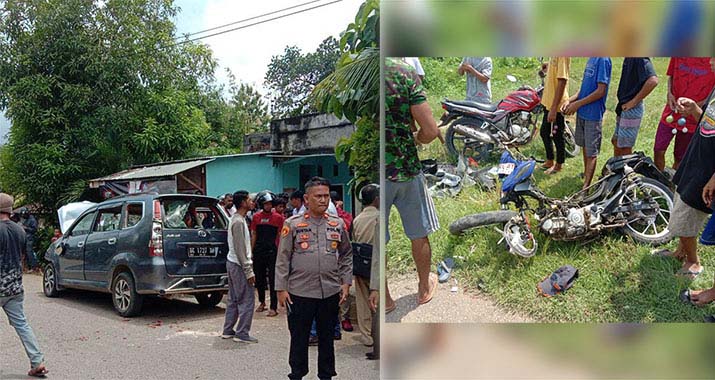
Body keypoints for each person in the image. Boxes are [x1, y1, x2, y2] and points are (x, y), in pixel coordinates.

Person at [275, 176, 352, 380]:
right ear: (307, 199)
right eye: (318, 196)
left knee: (327, 336)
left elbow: (346, 254)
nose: (323, 200)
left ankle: (326, 375)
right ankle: (297, 374)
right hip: (299, 292)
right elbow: (283, 257)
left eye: (326, 196)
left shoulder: (337, 225)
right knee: (299, 337)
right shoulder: (292, 224)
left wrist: (345, 282)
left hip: (329, 290)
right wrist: (281, 289)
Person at [653, 58, 715, 305]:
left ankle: (693, 262)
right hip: (696, 159)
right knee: (681, 202)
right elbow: (709, 122)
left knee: (685, 214)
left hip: (708, 171)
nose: (710, 62)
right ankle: (681, 252)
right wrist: (694, 110)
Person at [385, 58, 440, 308]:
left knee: (376, 238)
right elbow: (430, 129)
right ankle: (423, 287)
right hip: (405, 167)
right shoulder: (404, 71)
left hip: (374, 174)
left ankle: (383, 296)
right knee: (419, 233)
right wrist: (416, 136)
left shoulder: (359, 73)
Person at [0, 193, 48, 377]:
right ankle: (37, 362)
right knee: (22, 325)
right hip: (15, 287)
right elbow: (21, 256)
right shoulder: (20, 230)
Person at [654, 57, 715, 171]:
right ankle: (659, 182)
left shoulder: (712, 60)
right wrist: (670, 94)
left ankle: (674, 185)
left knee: (681, 157)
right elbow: (671, 76)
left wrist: (696, 107)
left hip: (694, 117)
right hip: (673, 111)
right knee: (658, 149)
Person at [562, 57, 612, 189]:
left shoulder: (603, 60)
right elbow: (584, 88)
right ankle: (586, 175)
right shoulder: (592, 59)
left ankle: (586, 187)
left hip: (593, 114)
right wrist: (570, 101)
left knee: (591, 152)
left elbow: (600, 91)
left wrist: (577, 104)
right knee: (585, 146)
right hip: (582, 112)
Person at [221, 190, 258, 343]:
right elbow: (240, 249)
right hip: (239, 264)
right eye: (249, 200)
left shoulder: (238, 219)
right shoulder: (237, 221)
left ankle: (228, 329)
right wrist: (248, 271)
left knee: (234, 299)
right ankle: (242, 332)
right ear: (242, 203)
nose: (252, 202)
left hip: (233, 263)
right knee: (247, 299)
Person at [351, 184, 379, 349]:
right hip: (375, 262)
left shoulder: (357, 219)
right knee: (378, 298)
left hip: (360, 262)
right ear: (376, 199)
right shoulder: (380, 216)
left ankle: (366, 335)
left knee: (362, 300)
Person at [612, 58, 658, 157]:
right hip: (623, 107)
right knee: (616, 141)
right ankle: (617, 169)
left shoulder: (639, 58)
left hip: (631, 109)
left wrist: (633, 102)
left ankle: (626, 171)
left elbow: (653, 81)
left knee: (624, 147)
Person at [251, 191, 285, 317]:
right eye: (266, 204)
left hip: (272, 251)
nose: (268, 206)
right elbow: (254, 234)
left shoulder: (278, 218)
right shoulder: (256, 217)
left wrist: (281, 251)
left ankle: (273, 306)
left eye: (270, 204)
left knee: (272, 278)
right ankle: (261, 302)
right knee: (259, 278)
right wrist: (251, 250)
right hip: (259, 251)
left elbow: (281, 235)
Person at [539, 57, 570, 175]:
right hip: (549, 102)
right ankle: (550, 160)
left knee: (557, 135)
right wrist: (549, 66)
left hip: (556, 105)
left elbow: (562, 80)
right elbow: (557, 69)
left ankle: (559, 164)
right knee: (544, 132)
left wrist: (553, 108)